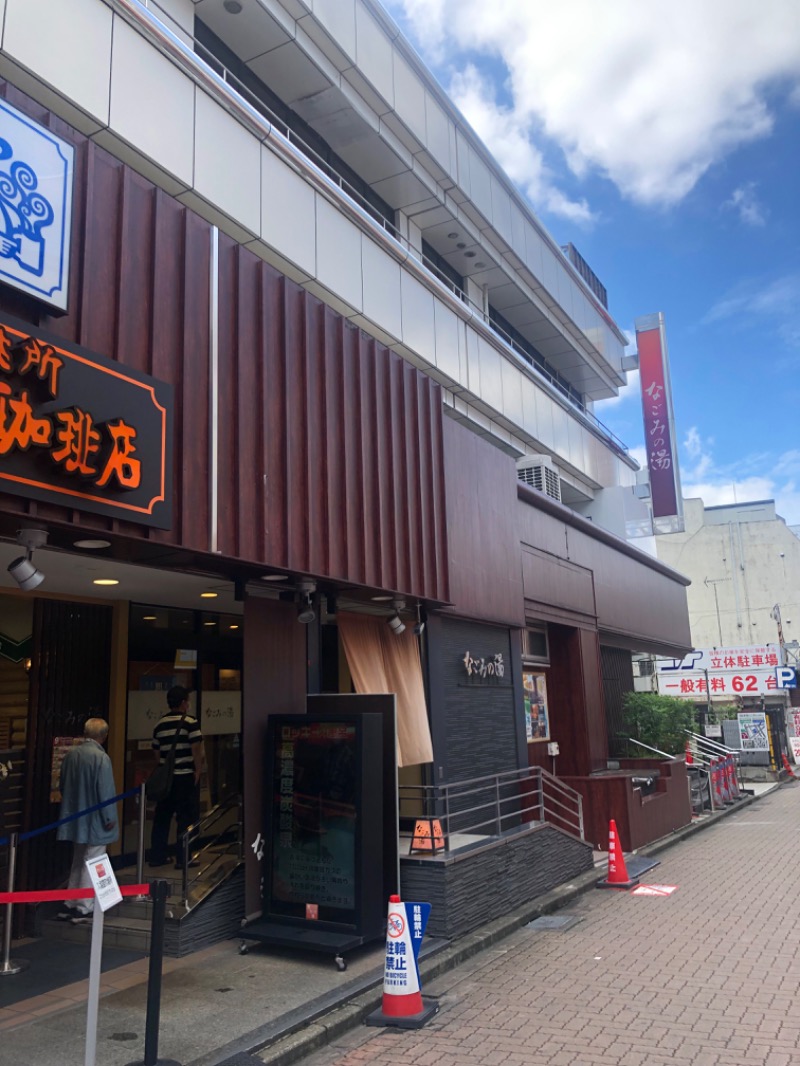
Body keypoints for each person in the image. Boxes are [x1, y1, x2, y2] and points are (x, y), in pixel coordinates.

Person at [56, 718, 118, 924]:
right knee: (93, 860)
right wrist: (109, 817)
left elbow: (62, 785)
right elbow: (105, 792)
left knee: (78, 859)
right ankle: (84, 907)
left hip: (75, 817)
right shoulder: (101, 758)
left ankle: (69, 903)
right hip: (95, 820)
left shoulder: (71, 755)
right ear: (104, 736)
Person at [149, 685, 204, 869]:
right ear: (183, 703)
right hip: (185, 777)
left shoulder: (159, 725)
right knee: (185, 818)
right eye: (187, 701)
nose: (188, 704)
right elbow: (196, 750)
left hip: (166, 780)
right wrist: (198, 771)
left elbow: (157, 755)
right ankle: (183, 857)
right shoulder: (190, 722)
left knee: (162, 818)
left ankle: (157, 856)